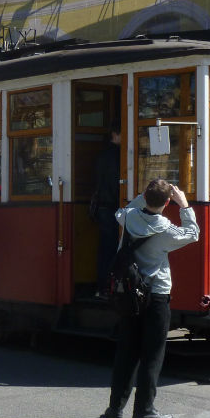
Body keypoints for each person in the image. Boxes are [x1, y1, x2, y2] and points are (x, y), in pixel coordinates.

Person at [102, 178, 200, 418]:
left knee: (126, 352)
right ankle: (144, 410)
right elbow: (193, 234)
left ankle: (115, 409)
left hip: (128, 295)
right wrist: (184, 205)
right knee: (152, 354)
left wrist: (144, 195)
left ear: (144, 197)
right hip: (155, 295)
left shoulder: (128, 216)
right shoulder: (166, 229)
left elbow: (123, 211)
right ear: (168, 203)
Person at [89, 125, 122, 297]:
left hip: (104, 206)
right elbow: (115, 182)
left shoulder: (103, 155)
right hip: (112, 206)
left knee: (105, 248)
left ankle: (102, 287)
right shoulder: (116, 155)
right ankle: (109, 287)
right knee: (113, 248)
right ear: (114, 133)